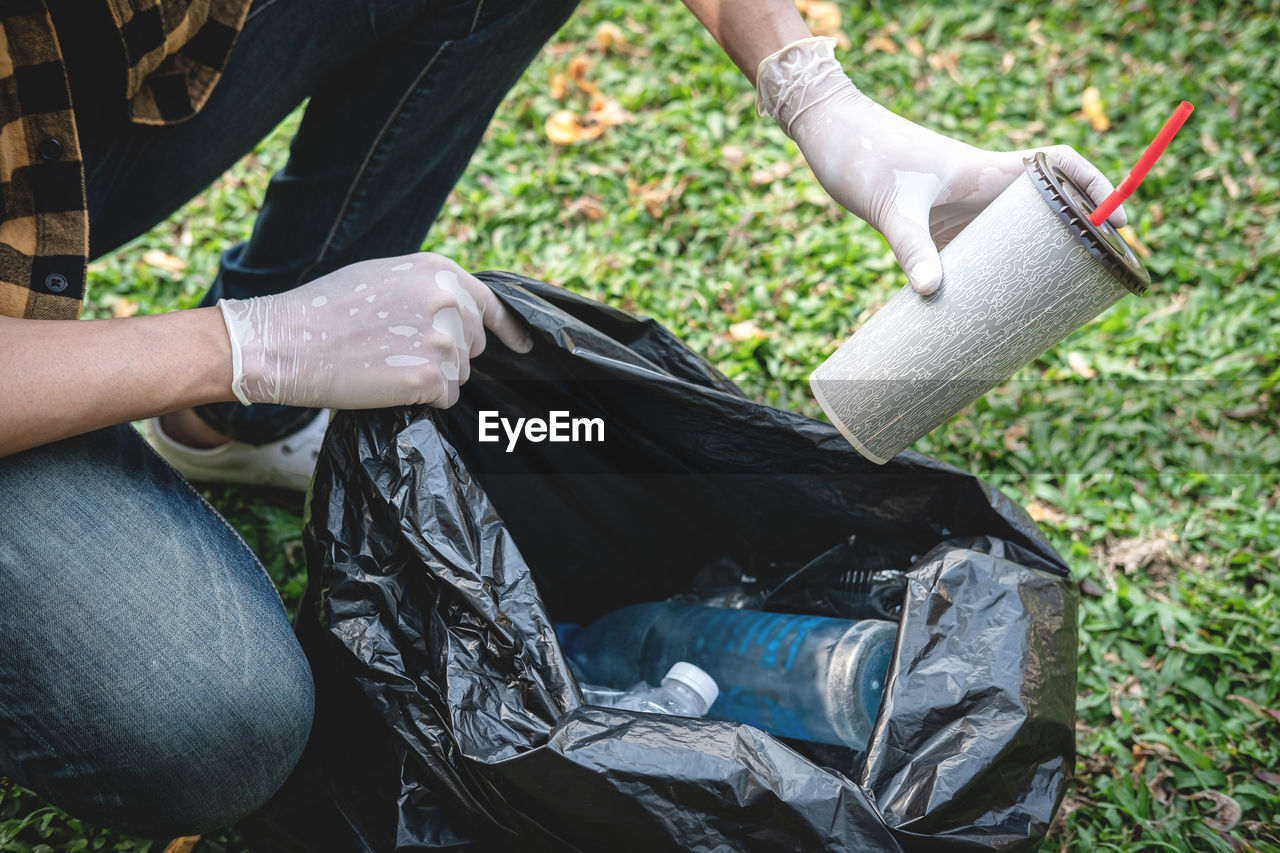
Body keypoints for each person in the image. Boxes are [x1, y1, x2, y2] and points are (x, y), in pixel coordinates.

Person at [0, 0, 1126, 839]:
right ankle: (229, 381)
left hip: (53, 122)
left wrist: (810, 91)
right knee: (206, 714)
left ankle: (230, 419)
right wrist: (242, 340)